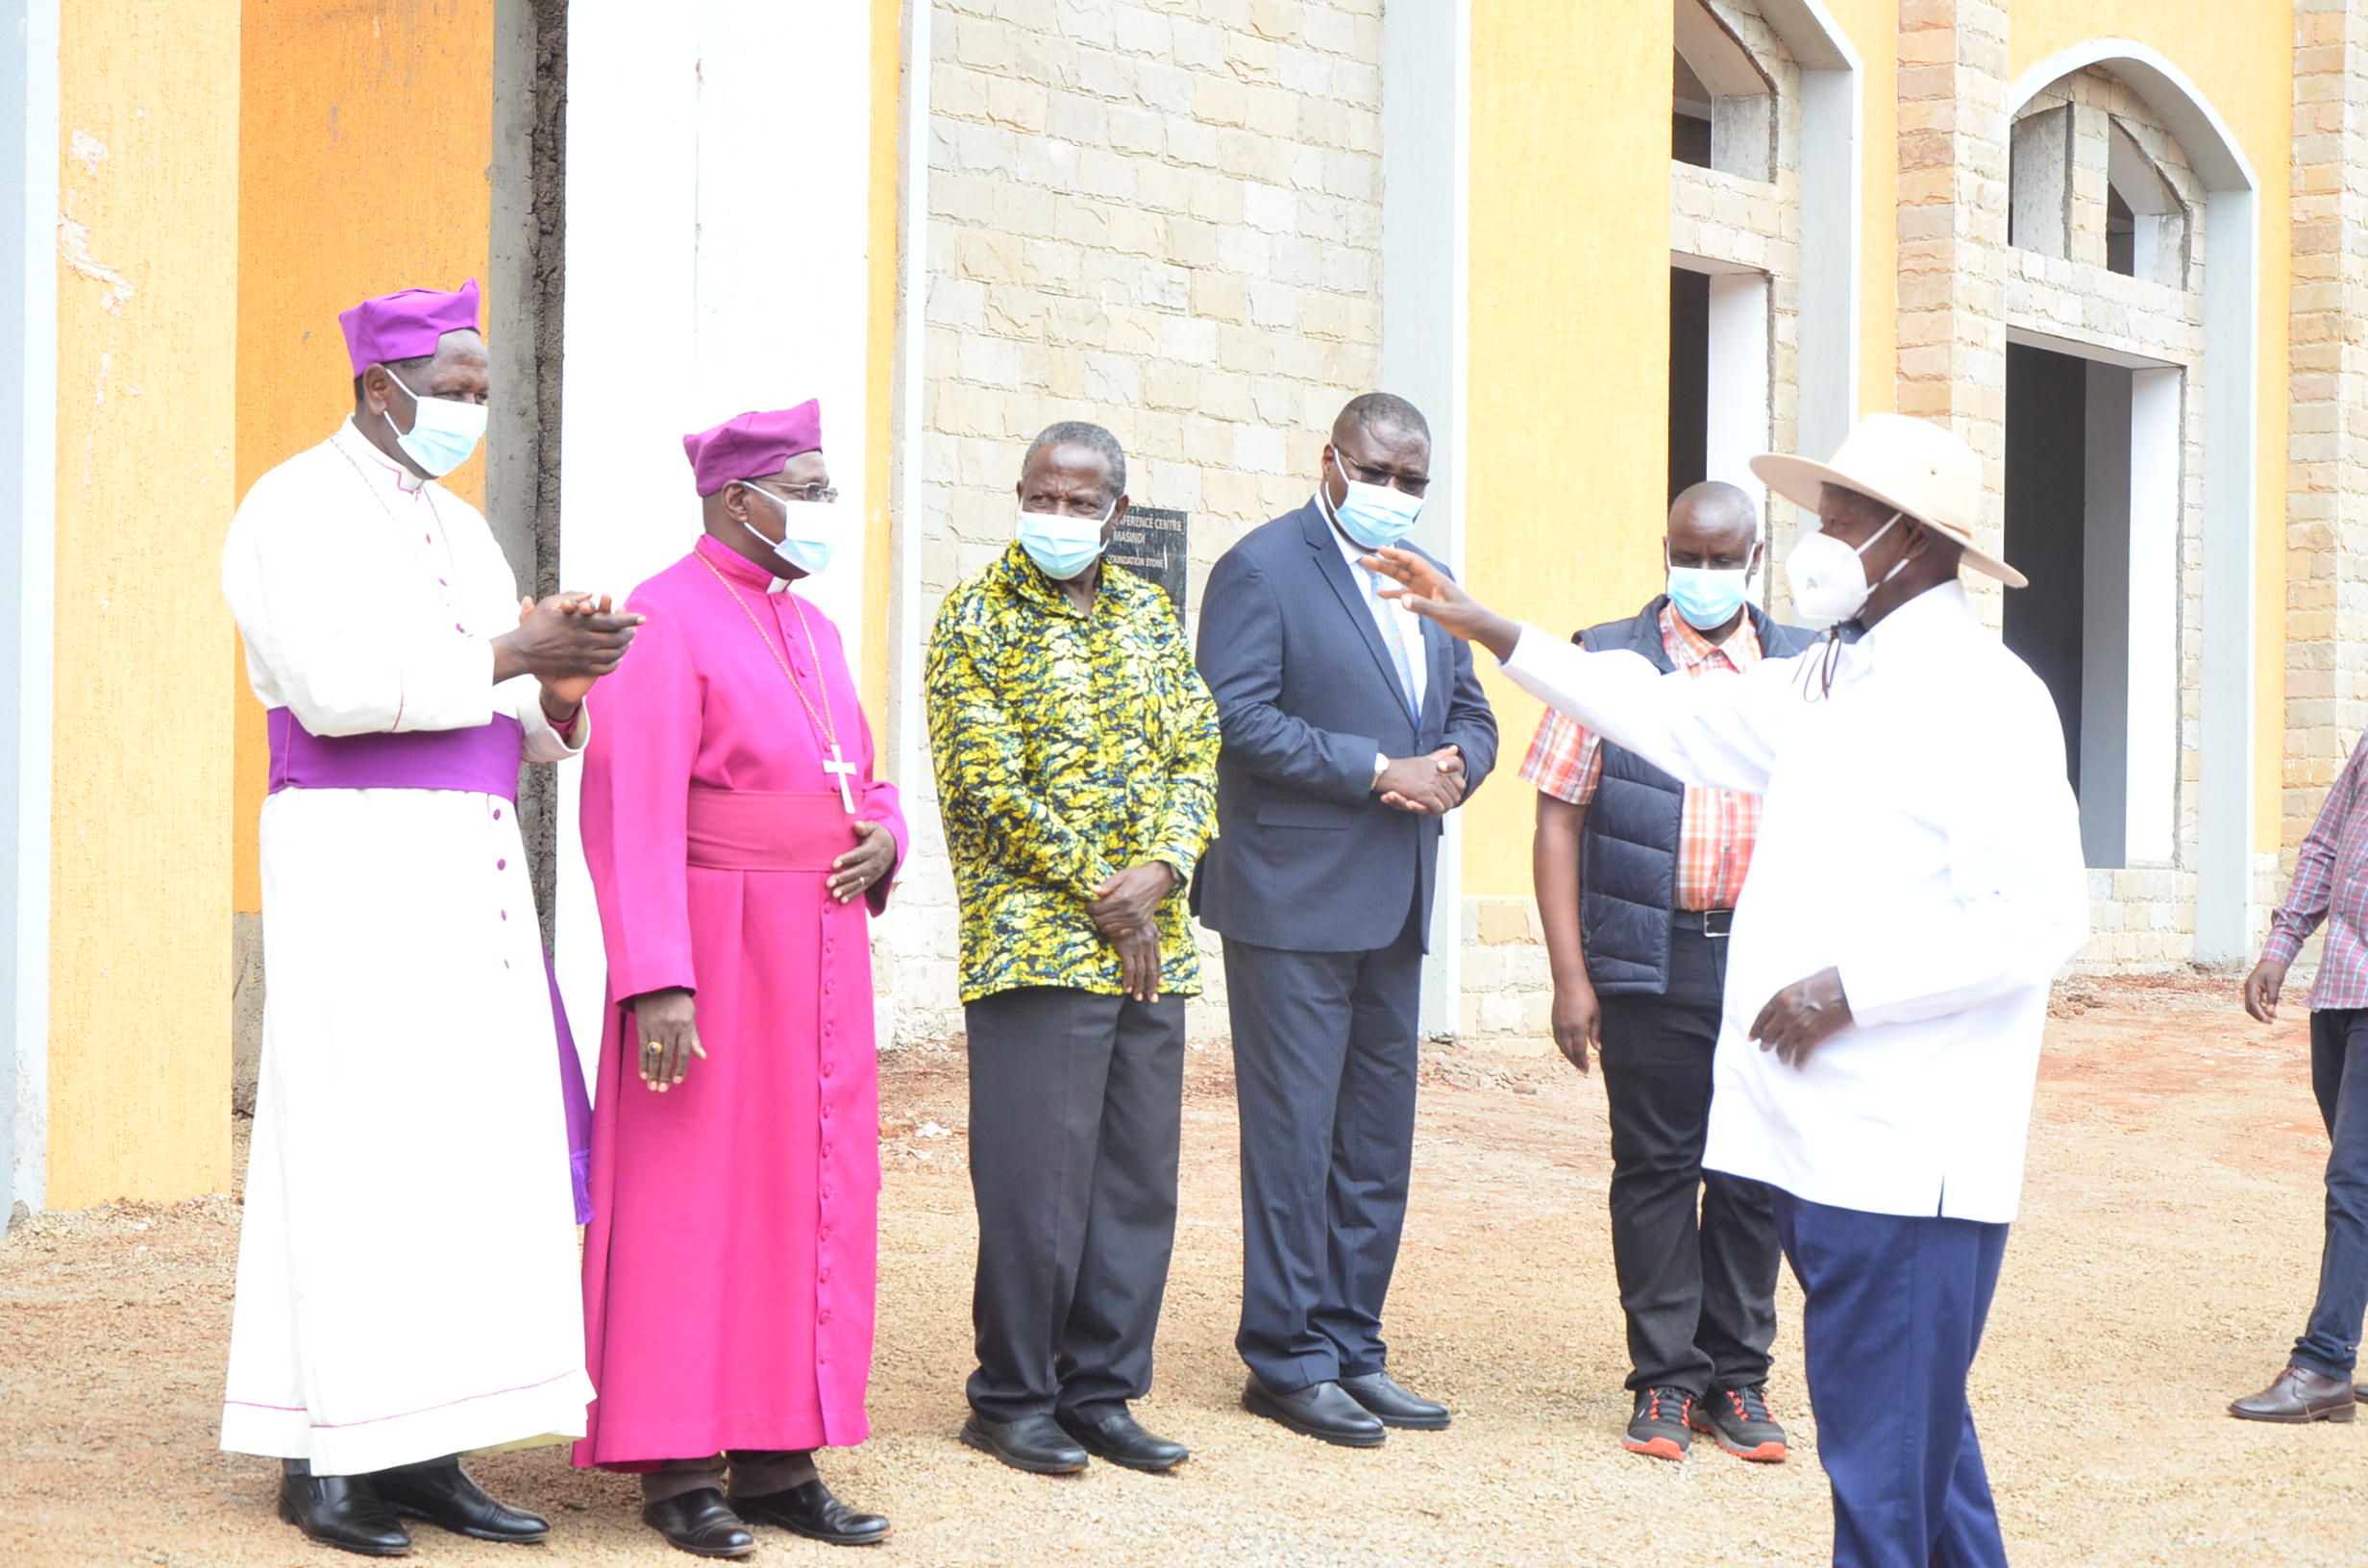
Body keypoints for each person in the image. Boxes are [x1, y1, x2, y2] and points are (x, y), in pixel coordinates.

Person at [1368, 412, 2087, 1568]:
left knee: (1886, 1464)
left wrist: (1850, 989)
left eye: (1841, 522)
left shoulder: (1983, 695)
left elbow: (2038, 915)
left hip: (1907, 1154)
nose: (1820, 542)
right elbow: (1669, 718)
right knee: (1917, 1445)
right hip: (1833, 1137)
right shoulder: (1826, 676)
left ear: (1909, 540)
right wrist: (1495, 628)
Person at [220, 279, 640, 1557]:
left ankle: (426, 1448)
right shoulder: (289, 508)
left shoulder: (466, 536)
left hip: (469, 865)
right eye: (450, 390)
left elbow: (521, 720)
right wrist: (514, 655)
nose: (467, 410)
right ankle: (331, 1457)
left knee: (459, 1153)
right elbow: (339, 693)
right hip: (355, 859)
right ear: (377, 388)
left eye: (477, 392)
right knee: (360, 1146)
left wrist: (560, 685)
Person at [574, 403, 904, 1556]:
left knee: (804, 1195)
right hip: (711, 953)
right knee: (690, 1201)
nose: (822, 507)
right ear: (739, 500)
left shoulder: (809, 625)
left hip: (818, 947)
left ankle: (775, 1458)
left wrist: (885, 838)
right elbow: (628, 809)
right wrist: (657, 976)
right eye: (806, 487)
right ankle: (678, 1468)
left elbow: (861, 773)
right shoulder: (660, 617)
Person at [1194, 392, 1498, 1447]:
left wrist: (1460, 764)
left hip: (1395, 898)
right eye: (1376, 473)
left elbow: (1471, 707)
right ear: (1329, 460)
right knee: (1293, 1139)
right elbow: (1234, 717)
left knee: (1375, 1141)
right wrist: (1378, 771)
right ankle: (1284, 1360)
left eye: (1412, 480)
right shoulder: (1264, 567)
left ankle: (1351, 1344)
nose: (1394, 495)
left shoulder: (1427, 577)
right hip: (1290, 901)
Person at [925, 422, 1220, 1478]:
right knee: (1035, 1183)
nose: (1057, 515)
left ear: (1117, 514)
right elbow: (982, 784)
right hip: (1035, 943)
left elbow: (1197, 748)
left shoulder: (1147, 615)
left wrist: (1167, 868)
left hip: (1153, 947)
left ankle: (1101, 1390)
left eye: (1079, 501)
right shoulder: (975, 617)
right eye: (1041, 496)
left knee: (1136, 1182)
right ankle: (1010, 1397)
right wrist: (1109, 892)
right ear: (1019, 496)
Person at [1526, 480, 1813, 1463]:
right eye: (1685, 557)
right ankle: (1661, 1382)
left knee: (1752, 1175)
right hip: (1651, 951)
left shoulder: (1804, 669)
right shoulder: (1603, 659)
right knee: (1654, 1166)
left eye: (1719, 559)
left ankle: (1736, 1380)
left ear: (1755, 560)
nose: (1700, 575)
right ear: (1664, 552)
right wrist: (1571, 975)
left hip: (1768, 958)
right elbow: (1558, 815)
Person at [2233, 731, 2368, 1424]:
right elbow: (2325, 844)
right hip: (2344, 987)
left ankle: (2323, 1366)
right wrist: (2281, 947)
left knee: (2356, 1181)